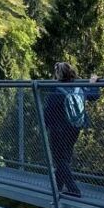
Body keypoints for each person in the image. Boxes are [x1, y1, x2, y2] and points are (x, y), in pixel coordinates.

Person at [43, 61, 100, 198]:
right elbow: (94, 96)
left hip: (58, 129)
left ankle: (73, 189)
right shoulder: (78, 87)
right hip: (75, 126)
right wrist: (94, 83)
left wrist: (45, 125)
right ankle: (57, 188)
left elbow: (48, 112)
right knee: (65, 158)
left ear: (58, 74)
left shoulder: (56, 89)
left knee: (60, 160)